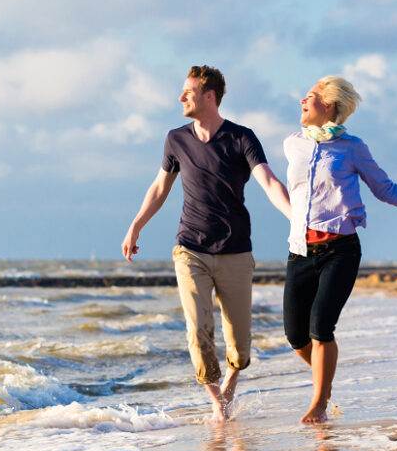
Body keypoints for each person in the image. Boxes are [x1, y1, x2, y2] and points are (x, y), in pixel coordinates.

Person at [283, 76, 397, 424]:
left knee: (321, 327)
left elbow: (386, 189)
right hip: (300, 250)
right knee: (295, 336)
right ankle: (326, 380)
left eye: (309, 97)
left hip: (340, 249)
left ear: (330, 104)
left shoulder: (353, 147)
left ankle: (319, 403)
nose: (301, 102)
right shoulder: (292, 144)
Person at [122, 65, 293, 422]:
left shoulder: (241, 137)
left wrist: (297, 217)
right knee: (197, 329)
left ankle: (229, 387)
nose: (181, 97)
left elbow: (269, 181)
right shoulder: (175, 139)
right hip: (190, 249)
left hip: (235, 250)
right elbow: (159, 188)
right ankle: (216, 402)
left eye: (188, 92)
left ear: (209, 95)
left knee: (240, 346)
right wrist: (136, 225)